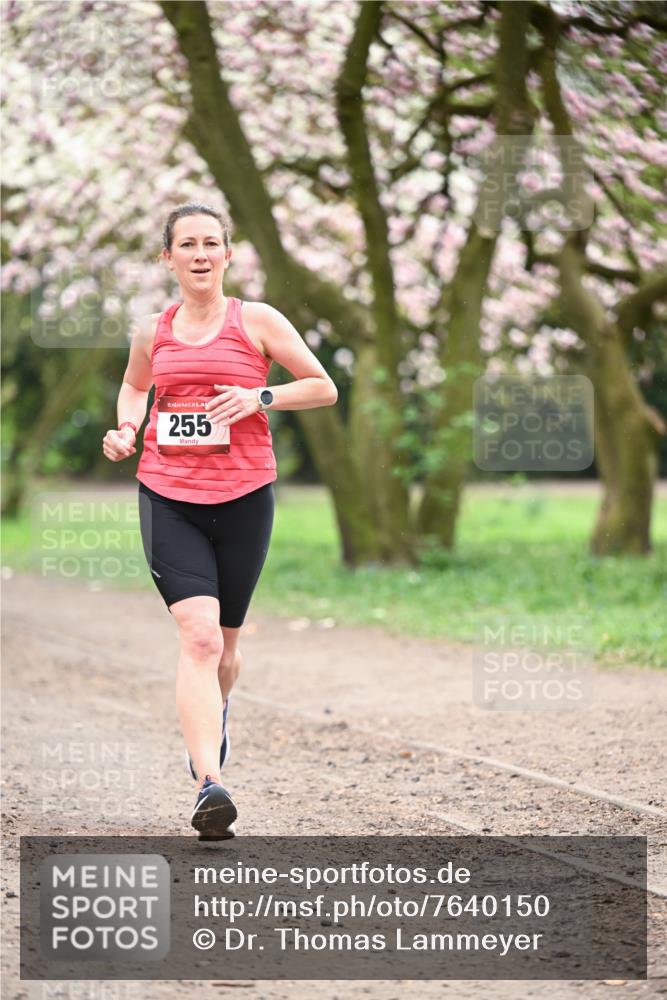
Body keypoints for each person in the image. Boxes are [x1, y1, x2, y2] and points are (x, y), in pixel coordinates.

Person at [103, 201, 337, 839]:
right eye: (187, 244)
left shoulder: (256, 321)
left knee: (226, 648)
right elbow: (134, 387)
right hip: (168, 494)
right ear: (168, 257)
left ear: (228, 255)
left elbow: (322, 387)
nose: (200, 254)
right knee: (200, 638)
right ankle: (209, 783)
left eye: (212, 243)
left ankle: (217, 709)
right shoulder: (154, 329)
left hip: (243, 497)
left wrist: (261, 395)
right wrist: (128, 427)